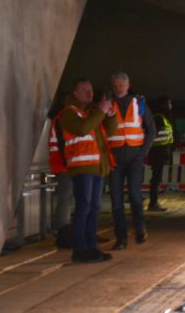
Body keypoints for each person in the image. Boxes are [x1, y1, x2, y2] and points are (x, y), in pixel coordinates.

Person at [58, 79, 118, 263]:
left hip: (98, 167)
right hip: (82, 168)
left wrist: (110, 115)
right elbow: (82, 129)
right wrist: (100, 113)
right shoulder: (68, 113)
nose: (89, 93)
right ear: (75, 94)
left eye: (91, 89)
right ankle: (79, 249)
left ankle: (92, 247)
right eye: (84, 90)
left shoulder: (92, 113)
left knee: (94, 209)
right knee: (83, 208)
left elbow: (111, 131)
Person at [107, 72, 156, 250]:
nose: (118, 87)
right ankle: (121, 238)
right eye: (115, 84)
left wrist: (142, 152)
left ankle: (140, 228)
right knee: (116, 199)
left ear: (128, 85)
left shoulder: (139, 104)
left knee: (135, 195)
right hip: (115, 157)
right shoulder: (107, 105)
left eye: (121, 84)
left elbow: (151, 130)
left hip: (134, 156)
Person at [48, 93, 75, 248]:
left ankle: (64, 231)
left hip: (62, 163)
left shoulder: (58, 117)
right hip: (63, 164)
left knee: (66, 199)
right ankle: (63, 233)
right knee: (65, 199)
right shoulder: (63, 118)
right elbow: (63, 142)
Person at [148, 96, 173, 212]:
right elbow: (153, 135)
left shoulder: (163, 118)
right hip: (157, 153)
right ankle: (153, 203)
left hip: (160, 152)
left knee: (157, 178)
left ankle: (154, 202)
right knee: (156, 179)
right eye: (169, 103)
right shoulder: (159, 118)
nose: (170, 106)